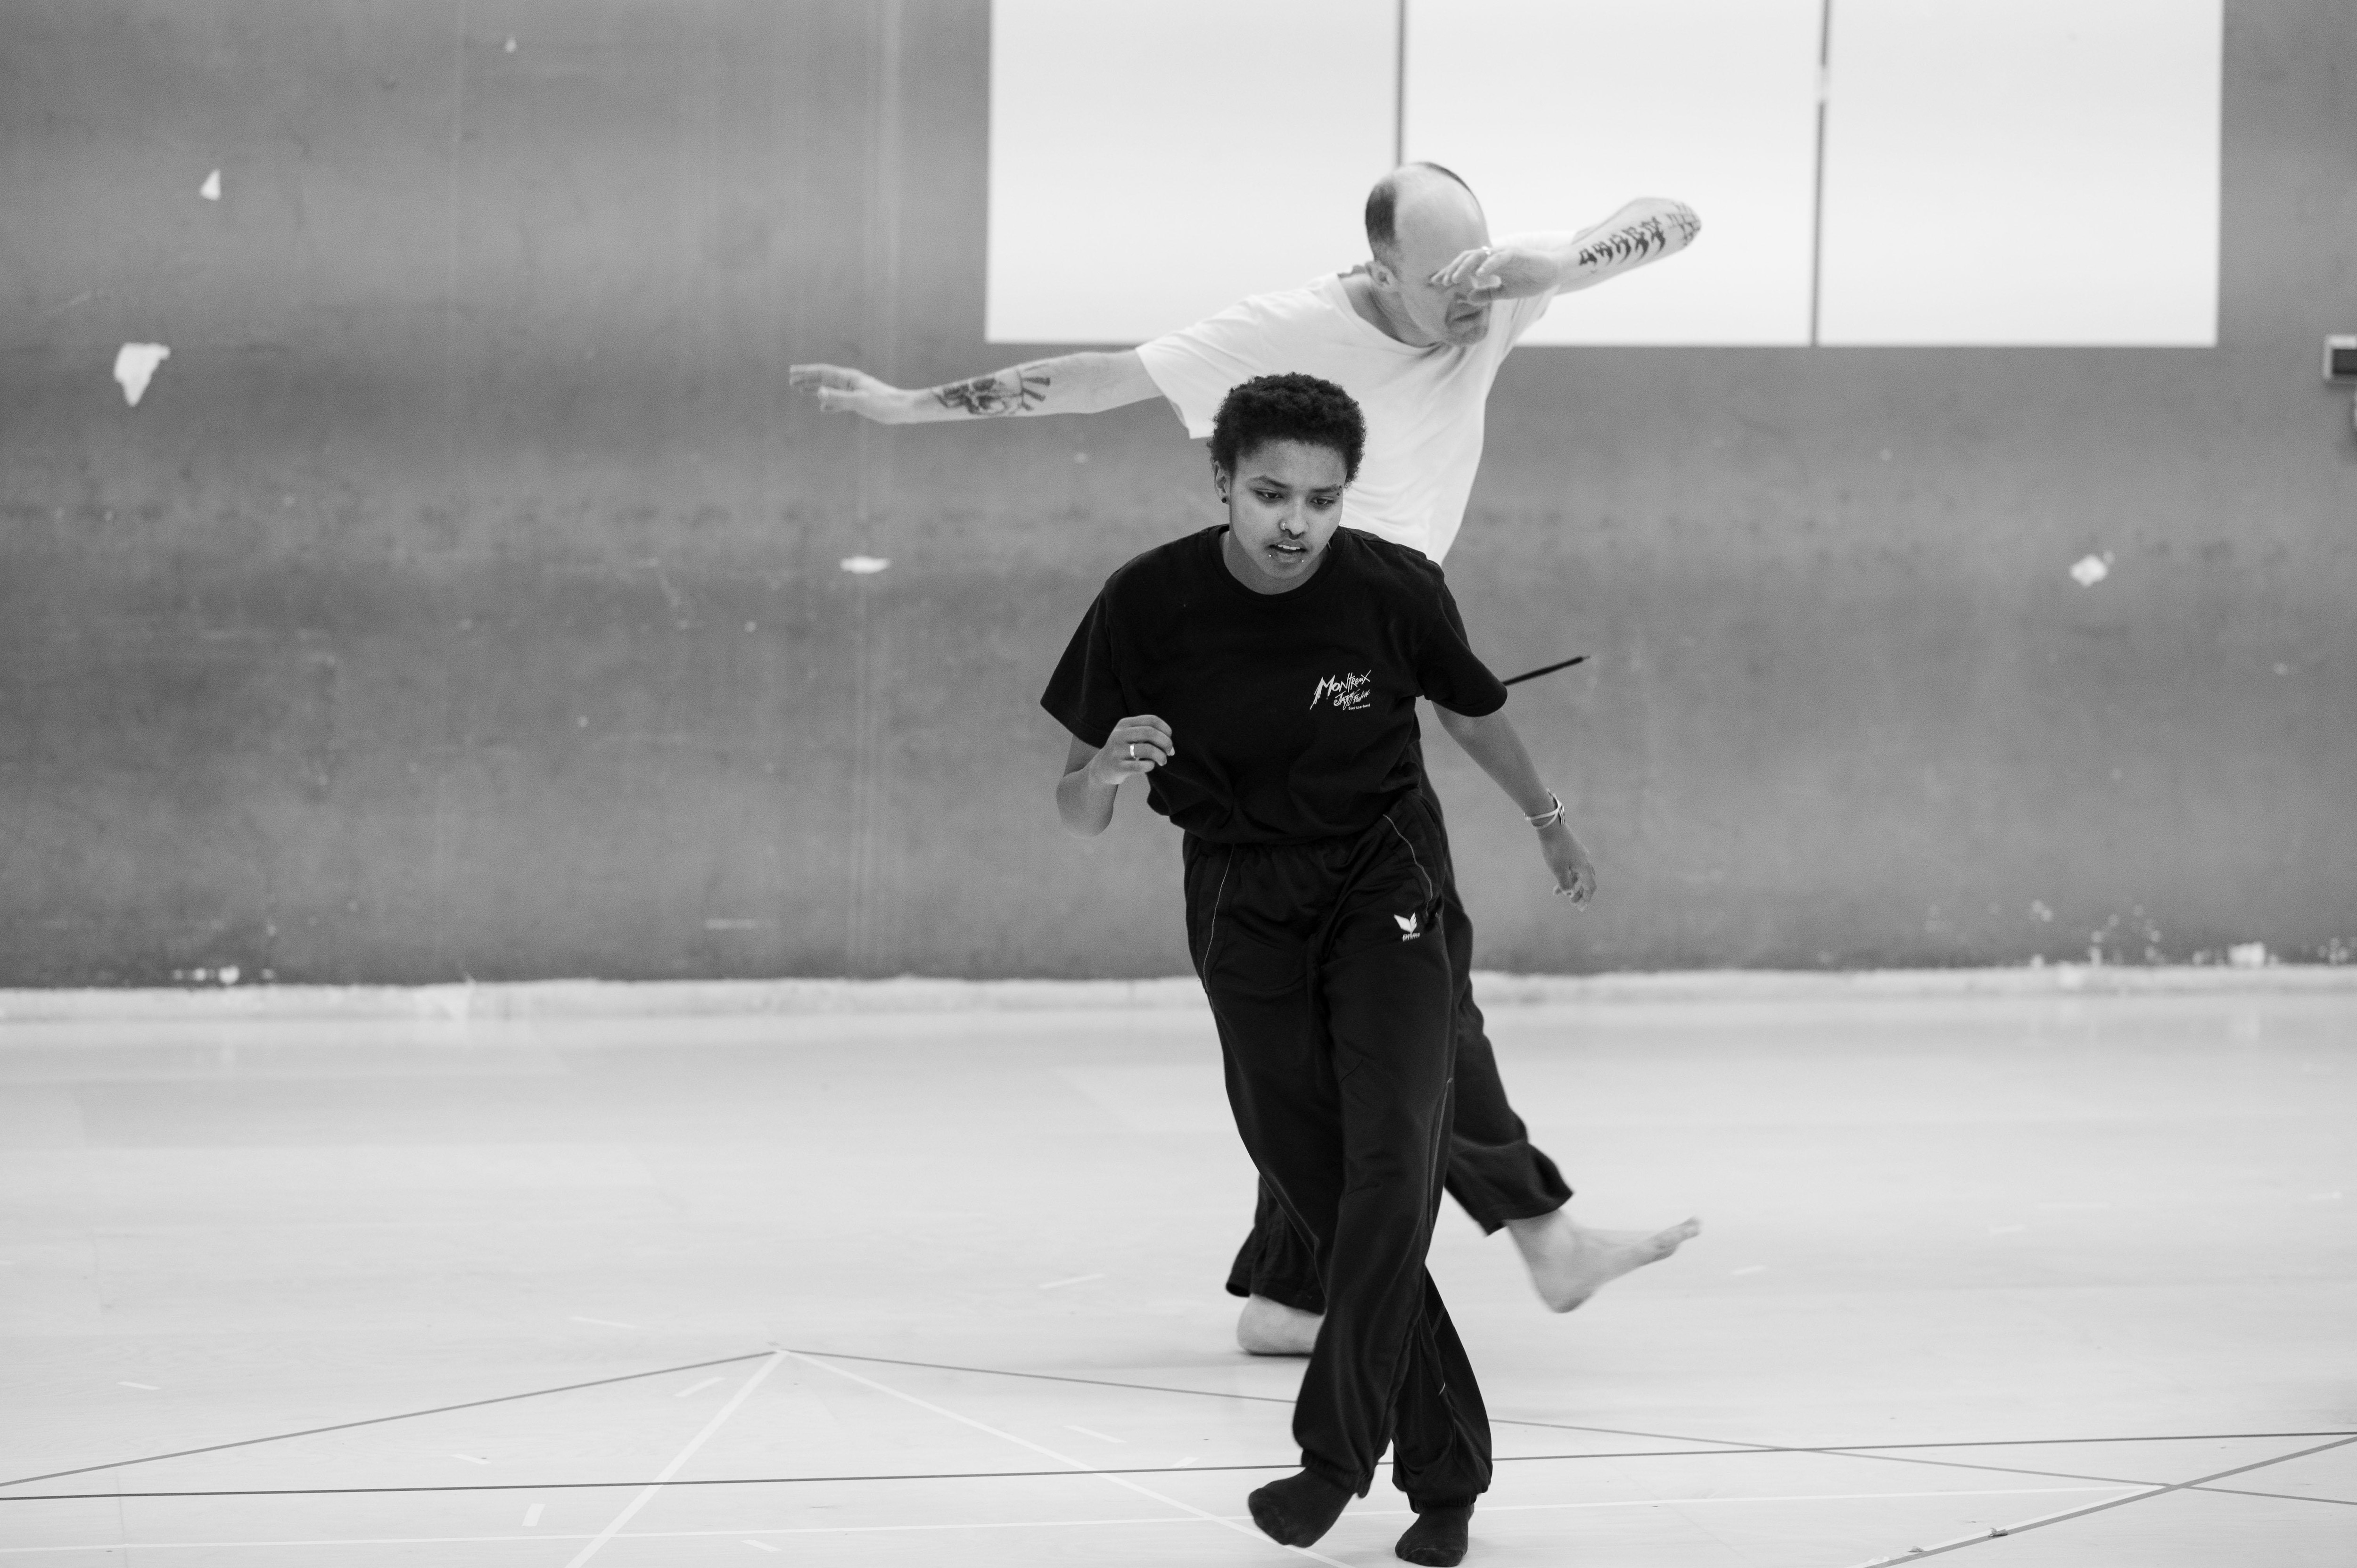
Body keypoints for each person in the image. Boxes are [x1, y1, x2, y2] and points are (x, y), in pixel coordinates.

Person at [797, 164, 1699, 1353]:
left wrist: (1546, 268)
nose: (1472, 302)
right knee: (1399, 989)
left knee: (1374, 1002)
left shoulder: (1499, 290)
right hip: (1300, 670)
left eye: (1483, 270)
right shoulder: (1286, 333)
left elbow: (1669, 218)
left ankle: (1305, 1287)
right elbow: (1103, 379)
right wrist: (909, 407)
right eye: (1446, 282)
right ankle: (1517, 1236)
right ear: (1377, 271)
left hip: (1379, 649)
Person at [1045, 374, 1592, 1566]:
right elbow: (1075, 803)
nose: (1295, 520)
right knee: (1314, 1174)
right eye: (1270, 493)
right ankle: (1445, 1477)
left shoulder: (1391, 586)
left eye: (1322, 498)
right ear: (1223, 484)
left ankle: (1333, 1456)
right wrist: (1108, 774)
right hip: (1241, 896)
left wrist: (1547, 817)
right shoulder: (1144, 601)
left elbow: (1473, 707)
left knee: (1394, 1159)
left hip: (1384, 877)